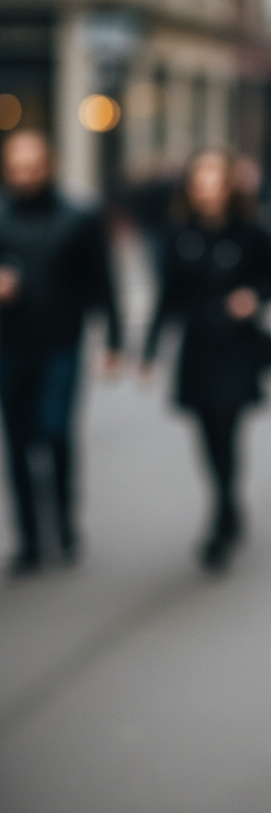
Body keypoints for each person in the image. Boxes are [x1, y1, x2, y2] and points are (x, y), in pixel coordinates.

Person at [143, 149, 271, 571]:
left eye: (216, 183)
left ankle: (223, 513)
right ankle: (225, 496)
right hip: (197, 346)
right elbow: (167, 296)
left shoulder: (251, 231)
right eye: (200, 184)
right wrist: (150, 351)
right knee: (206, 431)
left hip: (237, 346)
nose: (208, 193)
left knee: (227, 425)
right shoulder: (178, 234)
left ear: (229, 187)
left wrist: (255, 297)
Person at [0, 130, 122, 574]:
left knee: (54, 432)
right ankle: (29, 539)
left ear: (49, 165)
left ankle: (64, 524)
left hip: (61, 343)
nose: (24, 176)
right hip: (9, 344)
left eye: (32, 167)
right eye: (16, 168)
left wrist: (113, 340)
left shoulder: (79, 217)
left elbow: (103, 282)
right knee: (17, 441)